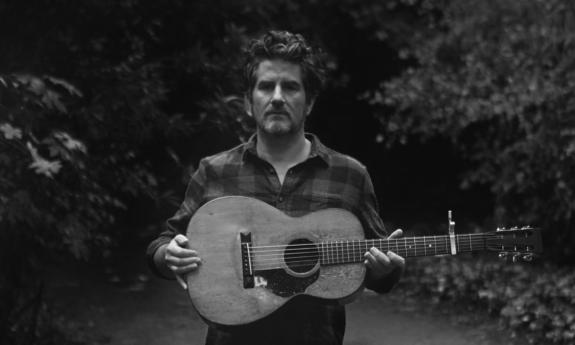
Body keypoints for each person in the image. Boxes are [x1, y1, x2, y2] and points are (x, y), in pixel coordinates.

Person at [146, 30, 405, 345]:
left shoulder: (350, 175)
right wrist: (167, 254)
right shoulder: (214, 171)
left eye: (291, 87)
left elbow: (377, 267)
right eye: (267, 86)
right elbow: (163, 245)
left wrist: (386, 272)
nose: (278, 97)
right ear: (248, 102)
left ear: (309, 103)